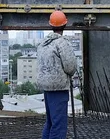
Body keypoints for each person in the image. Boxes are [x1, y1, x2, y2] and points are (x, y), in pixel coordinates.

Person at [37, 11, 78, 139]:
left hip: (46, 88)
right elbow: (70, 67)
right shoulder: (62, 43)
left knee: (50, 123)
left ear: (51, 25)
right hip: (59, 88)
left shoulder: (43, 44)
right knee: (59, 125)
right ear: (65, 25)